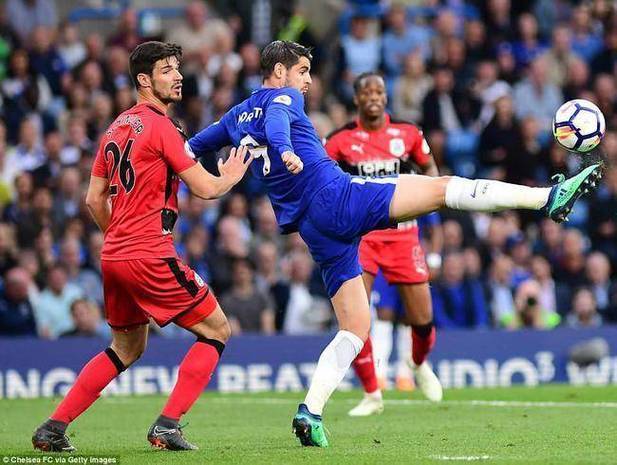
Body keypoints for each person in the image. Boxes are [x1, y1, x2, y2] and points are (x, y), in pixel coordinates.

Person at [188, 40, 602, 448]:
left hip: (311, 227)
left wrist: (167, 159)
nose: (308, 81)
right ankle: (546, 198)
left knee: (355, 326)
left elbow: (193, 147)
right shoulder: (284, 97)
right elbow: (279, 121)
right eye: (302, 71)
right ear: (279, 71)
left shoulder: (236, 115)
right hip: (338, 198)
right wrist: (284, 151)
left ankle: (310, 411)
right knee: (441, 188)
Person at [32, 41, 252, 453]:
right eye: (167, 70)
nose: (178, 76)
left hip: (114, 255)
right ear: (144, 80)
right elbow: (205, 189)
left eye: (177, 68)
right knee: (217, 329)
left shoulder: (115, 127)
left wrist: (119, 236)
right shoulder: (161, 127)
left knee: (127, 347)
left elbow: (93, 200)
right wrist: (231, 176)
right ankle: (168, 425)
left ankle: (53, 428)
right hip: (149, 252)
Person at [323, 72, 442, 417]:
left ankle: (418, 363)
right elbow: (322, 180)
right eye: (367, 92)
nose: (374, 97)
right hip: (363, 238)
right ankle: (372, 393)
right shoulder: (340, 140)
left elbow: (432, 173)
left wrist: (424, 202)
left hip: (404, 235)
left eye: (379, 91)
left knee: (423, 320)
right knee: (356, 317)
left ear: (386, 97)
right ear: (356, 99)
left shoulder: (408, 133)